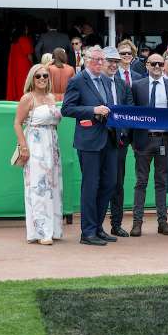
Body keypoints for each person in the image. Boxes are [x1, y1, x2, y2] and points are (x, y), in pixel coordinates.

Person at [61, 46, 119, 246]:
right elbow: (67, 109)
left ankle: (97, 227)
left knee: (109, 183)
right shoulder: (77, 80)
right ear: (86, 60)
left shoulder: (105, 80)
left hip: (109, 139)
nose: (100, 63)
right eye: (96, 59)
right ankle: (87, 232)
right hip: (89, 141)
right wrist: (93, 110)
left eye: (102, 59)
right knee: (90, 186)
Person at [129, 53, 168, 237]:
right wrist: (132, 140)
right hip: (143, 140)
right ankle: (137, 223)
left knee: (162, 182)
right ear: (147, 65)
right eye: (153, 64)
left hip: (165, 140)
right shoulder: (137, 86)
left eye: (160, 63)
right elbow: (131, 113)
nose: (157, 66)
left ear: (164, 65)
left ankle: (162, 222)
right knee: (141, 182)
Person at [14, 64, 63, 245]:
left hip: (52, 145)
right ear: (32, 79)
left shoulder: (51, 97)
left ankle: (54, 229)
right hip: (35, 147)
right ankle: (41, 232)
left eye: (45, 76)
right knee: (38, 187)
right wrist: (23, 146)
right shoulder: (28, 98)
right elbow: (17, 123)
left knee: (54, 186)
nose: (42, 78)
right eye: (38, 76)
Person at [99, 46, 134, 237]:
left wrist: (123, 134)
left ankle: (116, 224)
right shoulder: (95, 83)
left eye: (116, 62)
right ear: (101, 62)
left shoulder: (123, 85)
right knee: (98, 183)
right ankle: (97, 225)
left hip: (119, 142)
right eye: (110, 61)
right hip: (98, 141)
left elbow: (129, 111)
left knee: (117, 183)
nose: (113, 65)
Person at [6, 23, 35, 101]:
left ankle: (17, 97)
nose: (27, 30)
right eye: (26, 29)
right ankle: (23, 97)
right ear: (23, 30)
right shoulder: (24, 39)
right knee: (24, 81)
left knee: (16, 81)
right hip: (24, 64)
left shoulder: (14, 40)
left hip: (15, 64)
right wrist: (33, 64)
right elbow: (29, 54)